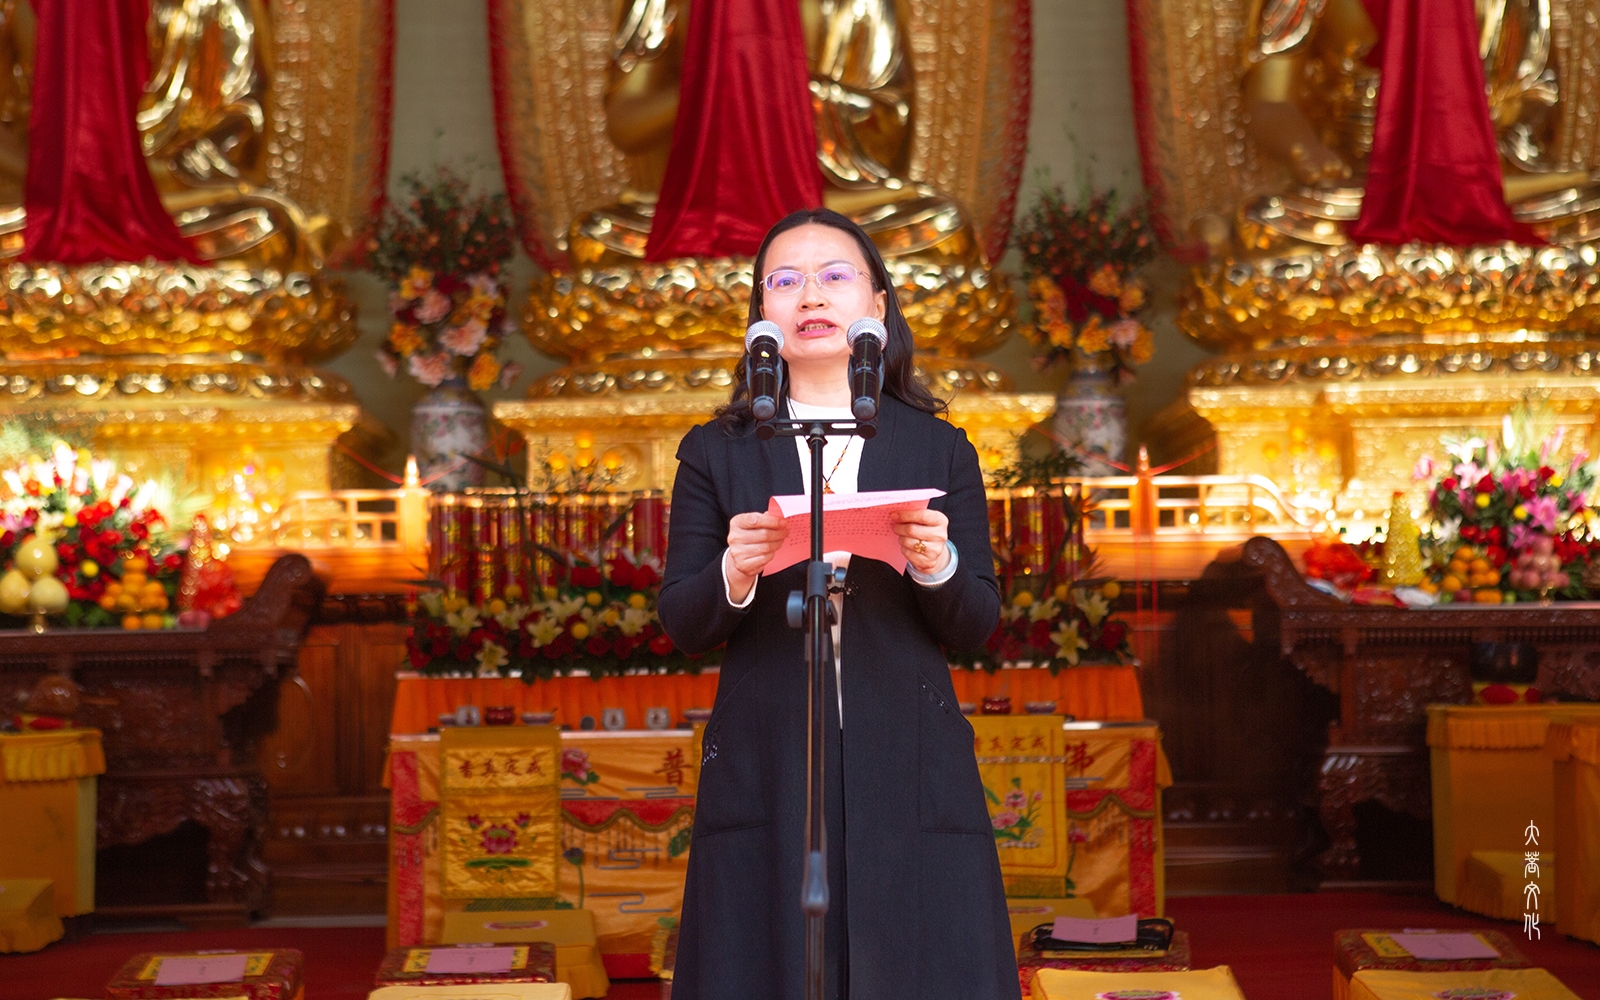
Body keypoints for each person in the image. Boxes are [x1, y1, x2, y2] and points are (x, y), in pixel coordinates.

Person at [657, 208, 1018, 1000]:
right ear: (760, 314)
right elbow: (682, 618)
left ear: (878, 307)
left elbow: (977, 622)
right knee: (771, 957)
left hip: (907, 750)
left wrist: (936, 564)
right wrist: (736, 570)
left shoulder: (937, 448)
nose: (809, 296)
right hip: (769, 751)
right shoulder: (716, 450)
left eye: (833, 276)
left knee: (913, 961)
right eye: (784, 281)